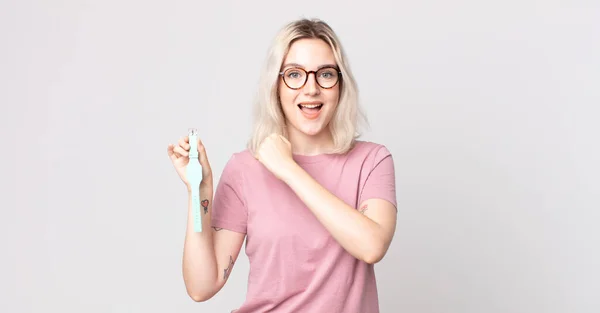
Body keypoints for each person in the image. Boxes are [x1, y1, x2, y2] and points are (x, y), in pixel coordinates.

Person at [167, 18, 397, 313]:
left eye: (325, 74)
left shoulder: (372, 161)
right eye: (294, 74)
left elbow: (371, 246)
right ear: (276, 85)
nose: (311, 88)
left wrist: (289, 169)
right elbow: (202, 287)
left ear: (340, 85)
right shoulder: (245, 169)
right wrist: (198, 192)